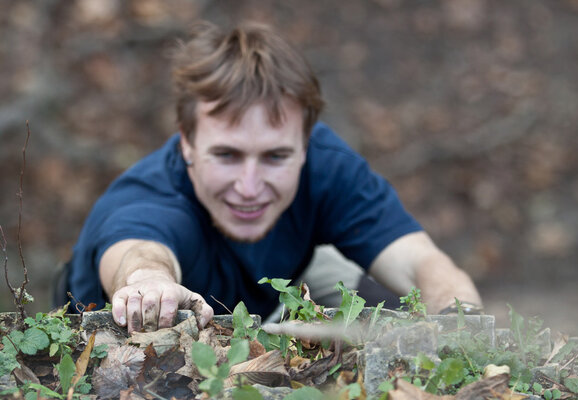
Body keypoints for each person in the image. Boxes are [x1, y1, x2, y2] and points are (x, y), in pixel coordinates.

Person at [62, 21, 482, 334]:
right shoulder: (151, 197)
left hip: (283, 282)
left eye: (276, 156)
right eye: (227, 155)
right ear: (186, 141)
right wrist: (149, 284)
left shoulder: (326, 162)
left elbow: (420, 262)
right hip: (164, 315)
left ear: (304, 144)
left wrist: (460, 319)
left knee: (390, 311)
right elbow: (139, 253)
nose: (249, 187)